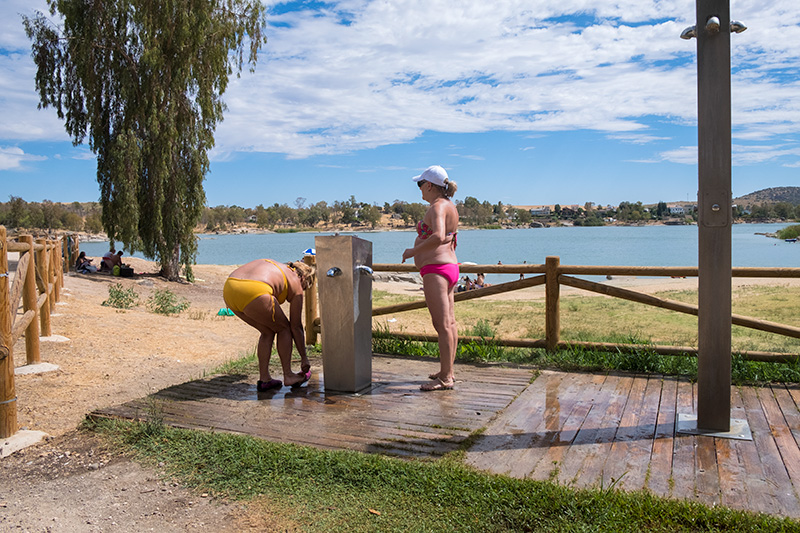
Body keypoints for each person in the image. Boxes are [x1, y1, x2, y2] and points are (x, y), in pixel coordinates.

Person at [402, 165, 459, 391]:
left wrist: (412, 252)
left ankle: (446, 377)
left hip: (437, 269)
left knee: (442, 325)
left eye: (420, 185)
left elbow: (438, 236)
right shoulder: (450, 206)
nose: (419, 191)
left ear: (429, 185)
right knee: (450, 323)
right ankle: (448, 371)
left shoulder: (437, 206)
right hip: (450, 267)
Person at [223, 258, 316, 391]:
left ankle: (265, 379)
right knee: (285, 329)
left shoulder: (277, 266)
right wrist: (304, 358)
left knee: (268, 331)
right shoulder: (296, 282)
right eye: (305, 287)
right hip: (254, 289)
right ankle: (288, 375)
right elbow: (296, 326)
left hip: (230, 287)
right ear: (304, 278)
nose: (303, 290)